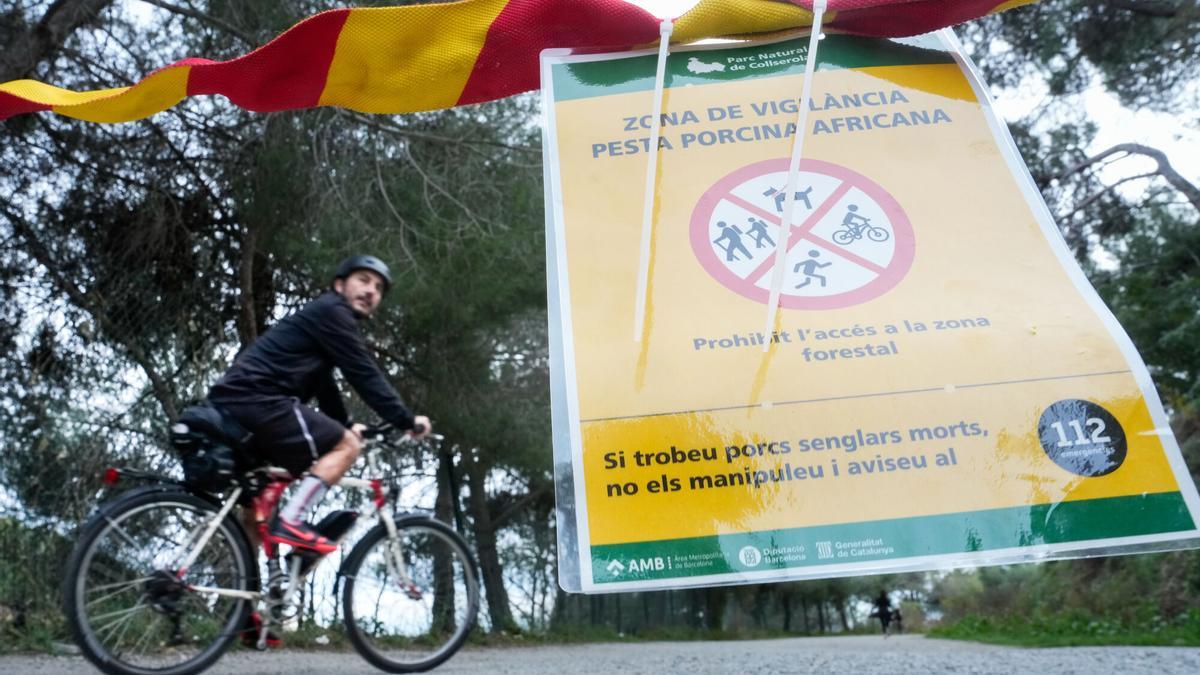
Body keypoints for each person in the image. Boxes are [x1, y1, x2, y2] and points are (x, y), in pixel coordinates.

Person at [206, 254, 430, 556]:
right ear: (339, 285)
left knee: (257, 510)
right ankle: (293, 520)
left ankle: (245, 599)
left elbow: (324, 385)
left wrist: (347, 423)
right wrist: (405, 420)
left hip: (240, 402)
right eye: (363, 280)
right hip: (259, 399)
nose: (371, 292)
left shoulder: (323, 322)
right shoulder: (333, 312)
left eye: (378, 288)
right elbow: (363, 374)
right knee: (347, 446)